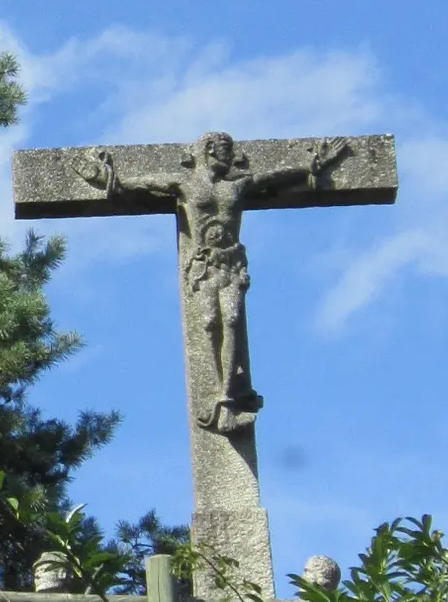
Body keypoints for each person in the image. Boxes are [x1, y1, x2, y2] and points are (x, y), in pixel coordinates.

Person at [82, 131, 345, 432]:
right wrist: (110, 178)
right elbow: (141, 183)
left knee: (231, 319)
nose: (230, 157)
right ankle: (226, 390)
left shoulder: (239, 185)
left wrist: (311, 166)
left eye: (231, 152)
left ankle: (227, 397)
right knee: (209, 323)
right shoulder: (184, 185)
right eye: (224, 151)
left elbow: (274, 177)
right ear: (207, 151)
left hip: (231, 264)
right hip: (204, 266)